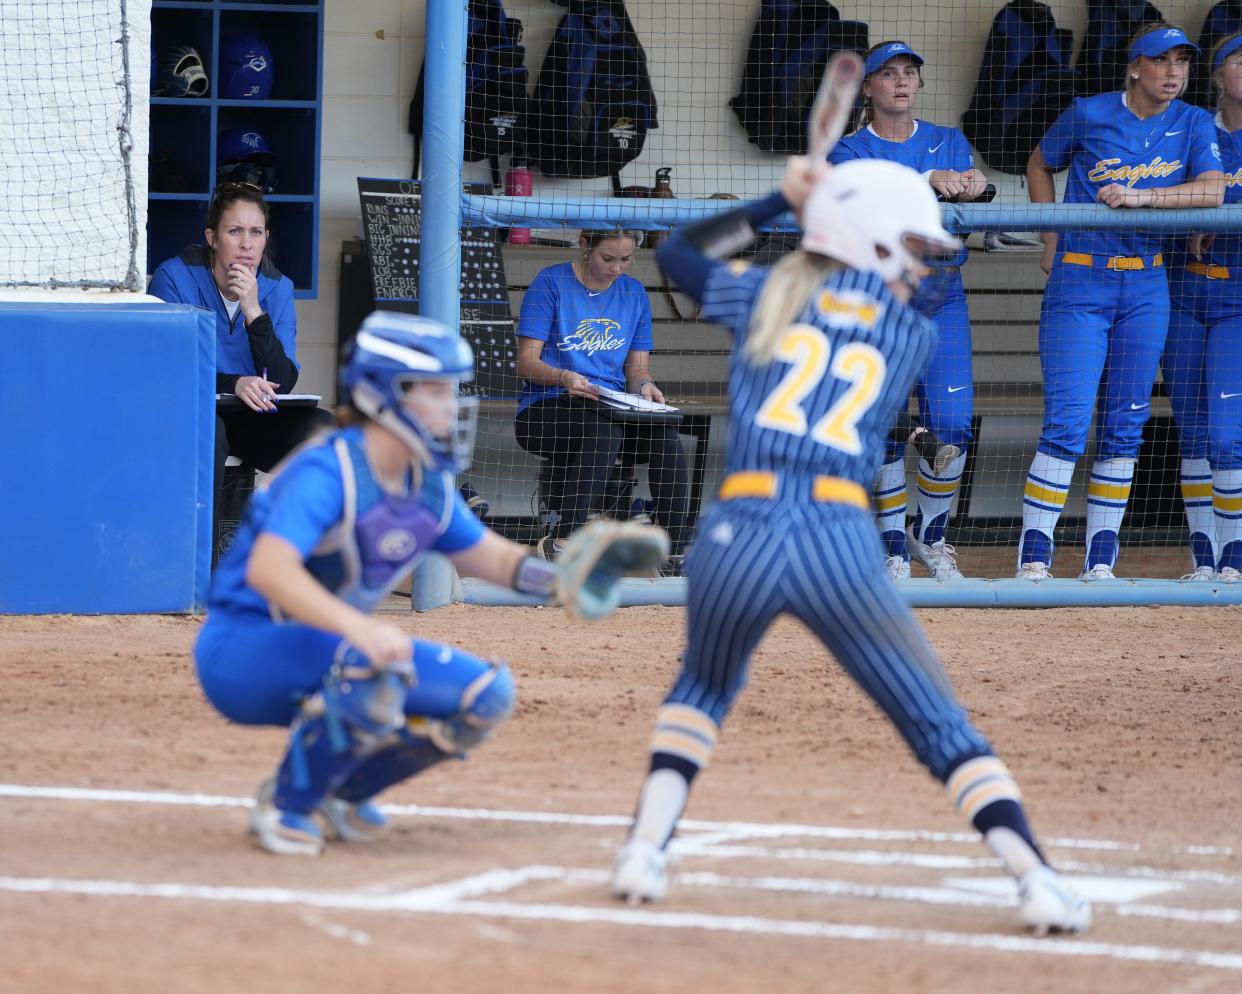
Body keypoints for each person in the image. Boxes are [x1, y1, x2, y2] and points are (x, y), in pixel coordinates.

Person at [610, 157, 1093, 936]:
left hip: (738, 532)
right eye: (905, 245)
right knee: (935, 721)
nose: (917, 262)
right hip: (838, 539)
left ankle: (641, 850)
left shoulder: (767, 294)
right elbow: (886, 291)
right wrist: (820, 205)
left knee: (700, 690)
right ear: (868, 242)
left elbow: (676, 254)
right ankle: (1035, 878)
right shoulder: (908, 331)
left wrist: (780, 198)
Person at [194, 311, 589, 855]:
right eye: (434, 391)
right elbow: (270, 568)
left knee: (486, 695)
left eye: (451, 391)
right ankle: (288, 805)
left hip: (328, 644)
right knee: (374, 665)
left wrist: (568, 578)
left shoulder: (423, 481)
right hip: (243, 650)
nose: (451, 406)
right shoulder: (327, 469)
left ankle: (341, 790)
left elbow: (487, 558)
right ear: (384, 394)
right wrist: (359, 629)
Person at [1018, 24, 1225, 581]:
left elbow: (1213, 189)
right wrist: (1050, 236)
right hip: (1081, 283)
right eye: (1162, 62)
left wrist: (1145, 197)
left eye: (1182, 62)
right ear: (1135, 66)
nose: (1174, 72)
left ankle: (1099, 562)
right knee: (1066, 421)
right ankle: (1033, 560)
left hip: (1147, 286)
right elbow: (1040, 163)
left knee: (1124, 425)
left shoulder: (1194, 121)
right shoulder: (1090, 112)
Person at [829, 41, 989, 581]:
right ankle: (893, 545)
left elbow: (969, 199)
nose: (901, 82)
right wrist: (926, 183)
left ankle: (930, 535)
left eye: (910, 74)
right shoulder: (847, 149)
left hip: (942, 296)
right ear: (868, 87)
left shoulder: (947, 140)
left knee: (952, 424)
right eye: (888, 74)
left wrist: (976, 186)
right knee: (888, 427)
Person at [148, 181, 332, 554]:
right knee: (210, 434)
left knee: (322, 433)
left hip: (251, 416)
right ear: (213, 237)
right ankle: (201, 572)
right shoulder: (176, 276)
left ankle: (292, 560)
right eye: (235, 231)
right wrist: (235, 382)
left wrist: (252, 308)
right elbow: (171, 367)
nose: (247, 244)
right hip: (192, 411)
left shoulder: (277, 287)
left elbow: (284, 378)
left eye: (256, 232)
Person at [514, 229, 691, 565]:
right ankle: (565, 540)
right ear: (584, 247)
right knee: (603, 430)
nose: (617, 268)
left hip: (610, 406)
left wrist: (645, 389)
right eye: (607, 258)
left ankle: (671, 549)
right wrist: (564, 376)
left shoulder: (634, 293)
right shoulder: (551, 282)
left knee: (665, 436)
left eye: (626, 259)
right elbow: (526, 363)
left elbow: (638, 371)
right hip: (547, 406)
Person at [1162, 32, 1242, 584]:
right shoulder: (1190, 128)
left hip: (1238, 297)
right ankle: (1202, 557)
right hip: (1183, 292)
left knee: (1225, 435)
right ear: (1217, 76)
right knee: (1191, 432)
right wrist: (1189, 222)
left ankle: (1234, 557)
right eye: (1240, 62)